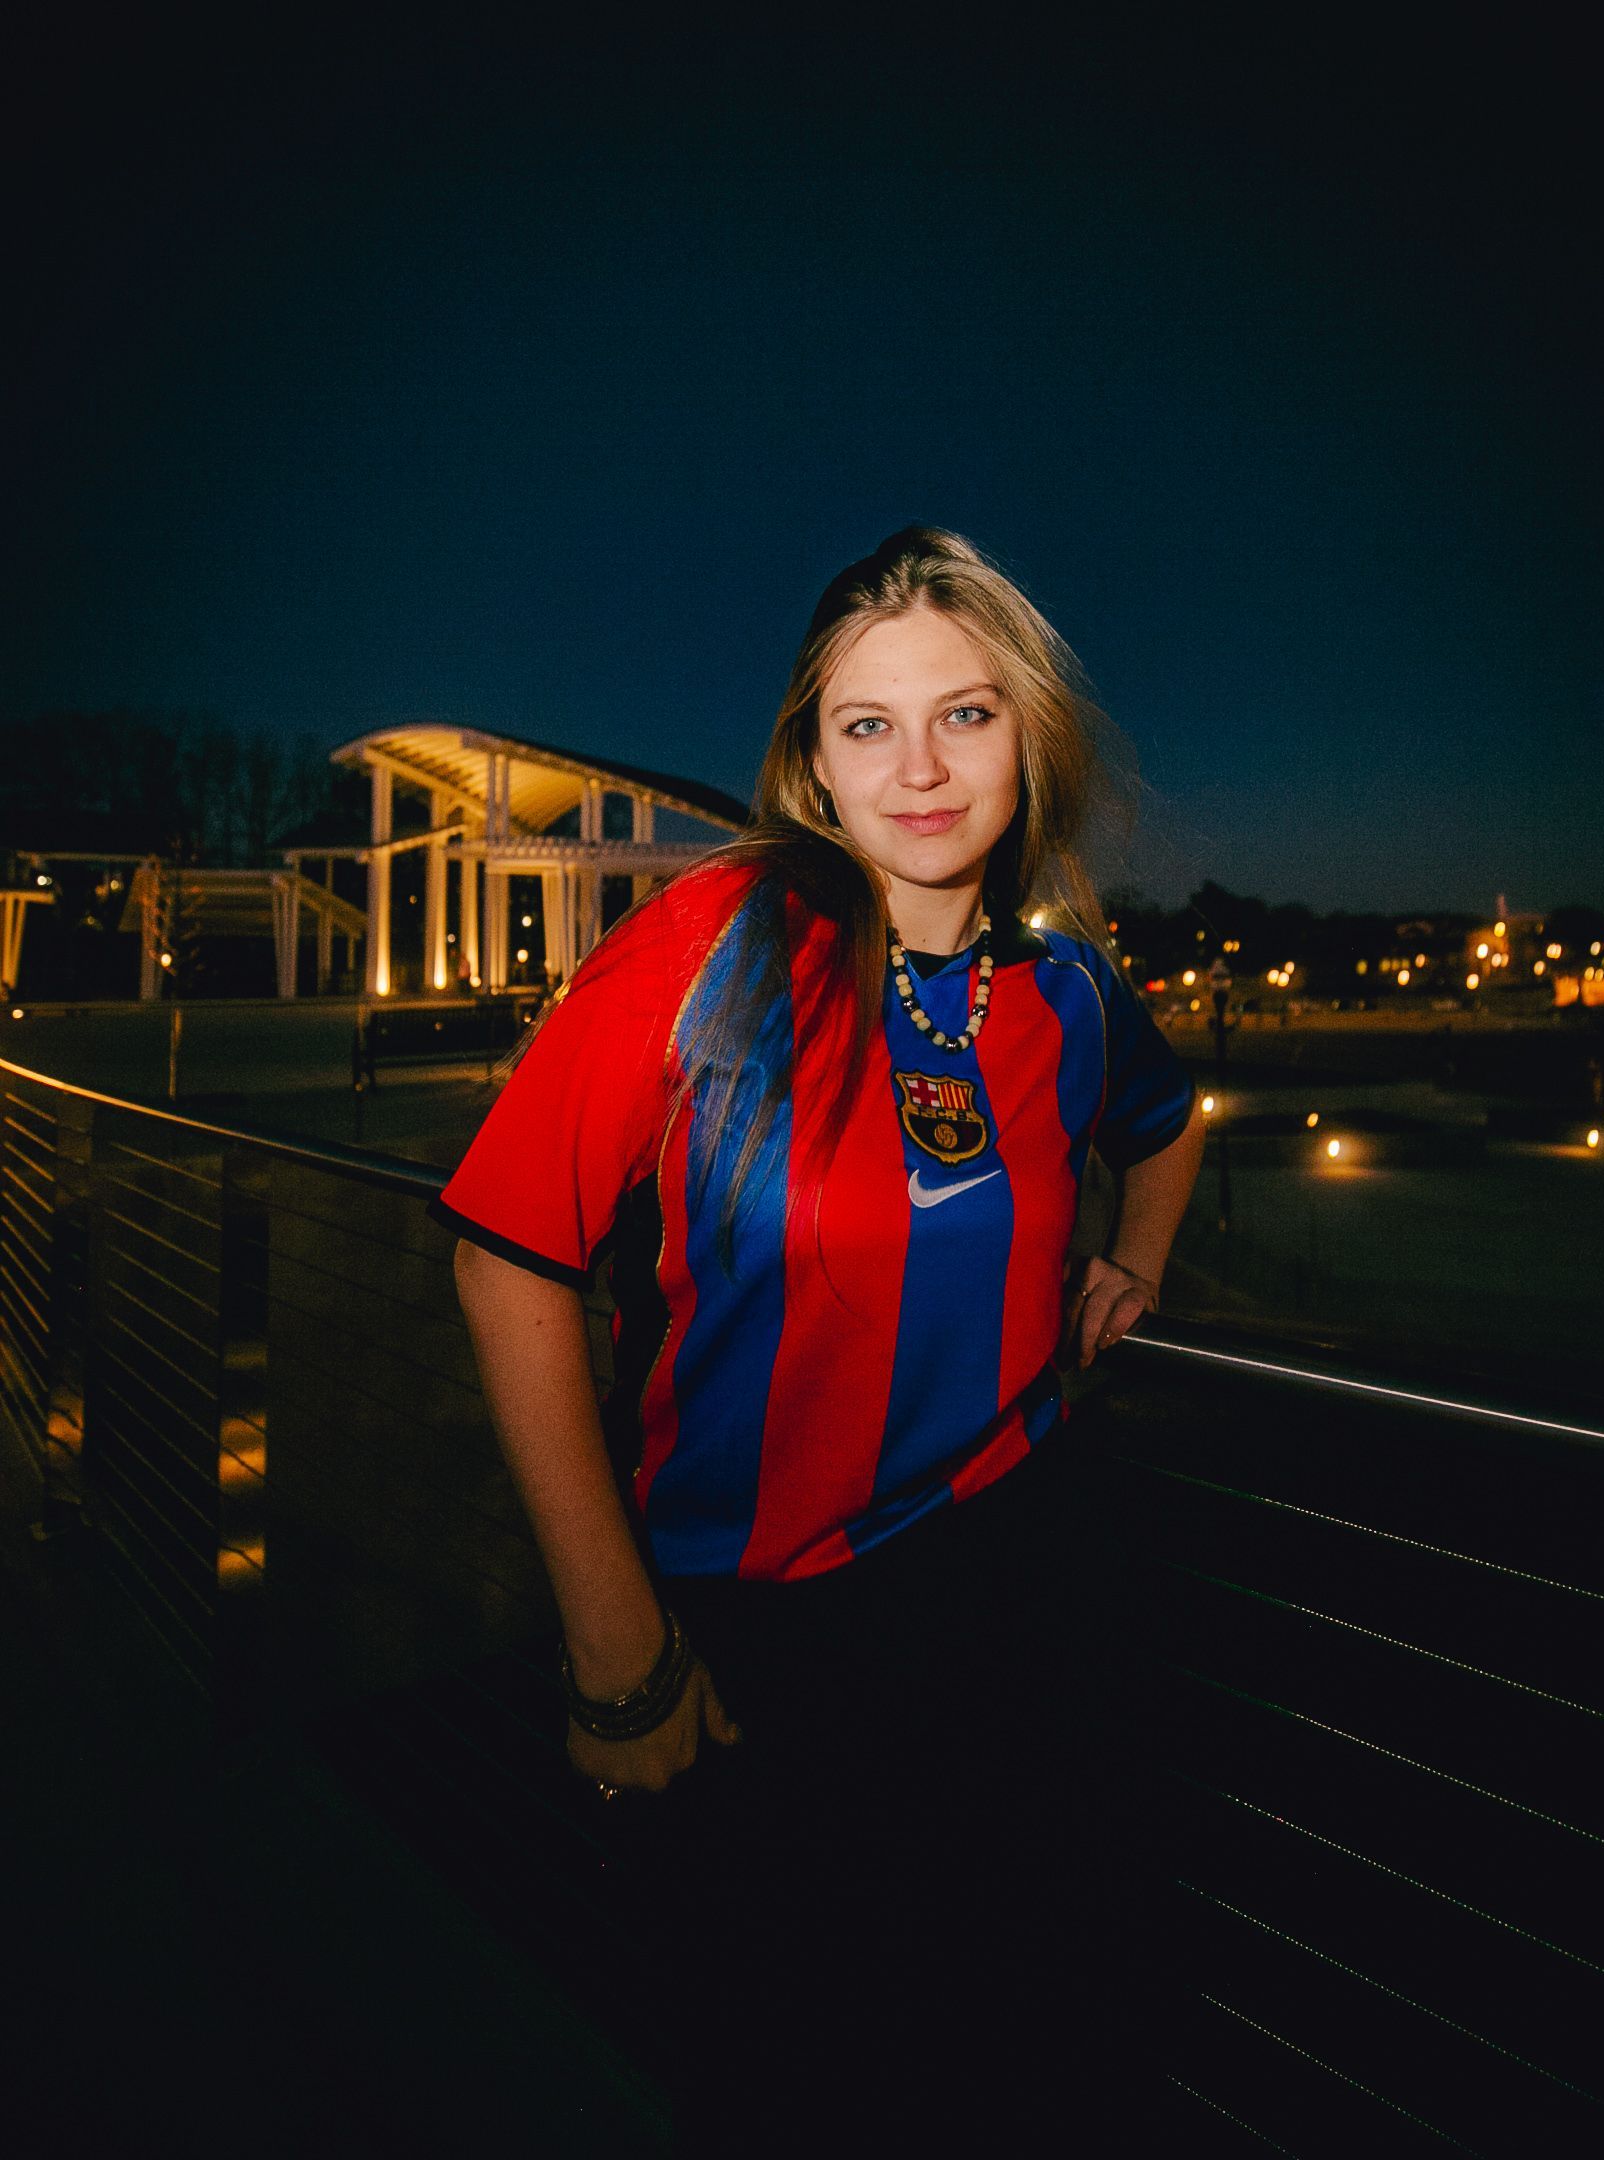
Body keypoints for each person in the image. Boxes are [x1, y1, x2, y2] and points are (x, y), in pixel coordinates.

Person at [431, 526, 1205, 2146]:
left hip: (1023, 1575)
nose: (920, 768)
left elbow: (1167, 1120)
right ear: (814, 764)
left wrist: (1134, 1258)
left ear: (1029, 740)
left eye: (966, 715)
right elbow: (507, 1258)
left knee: (1018, 2046)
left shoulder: (1066, 993)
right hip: (757, 1634)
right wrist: (616, 1648)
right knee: (787, 2067)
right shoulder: (718, 942)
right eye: (870, 725)